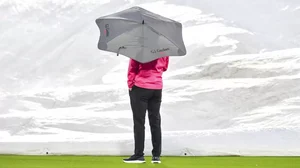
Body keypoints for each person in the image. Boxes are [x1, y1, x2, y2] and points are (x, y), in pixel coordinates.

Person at [123, 56, 169, 164]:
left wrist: (130, 84)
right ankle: (156, 156)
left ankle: (139, 155)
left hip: (140, 87)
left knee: (139, 122)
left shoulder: (140, 49)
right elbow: (165, 67)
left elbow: (132, 67)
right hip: (157, 87)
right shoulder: (164, 49)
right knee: (155, 121)